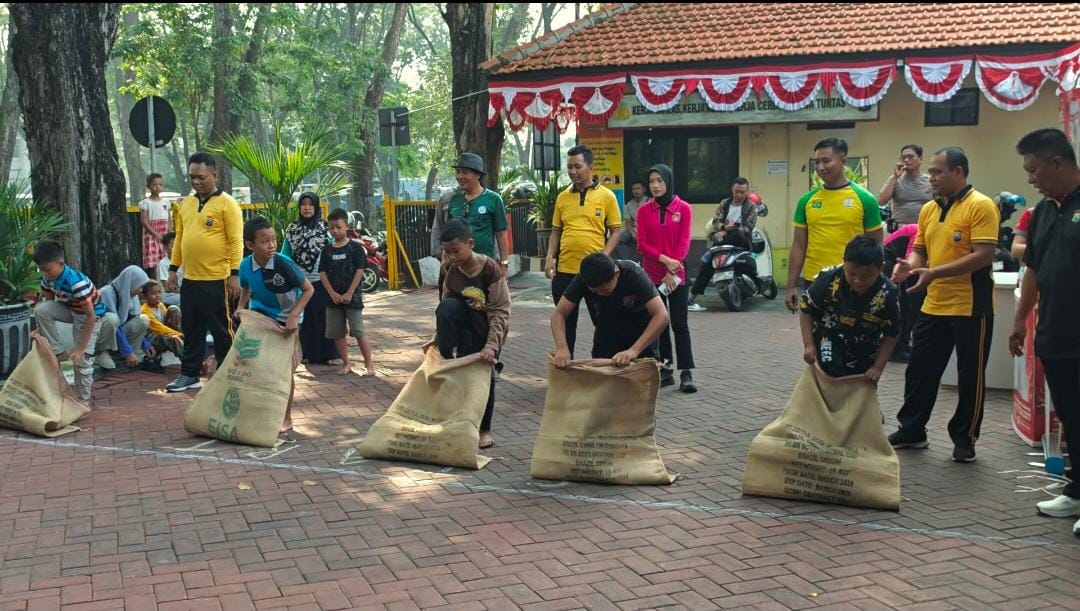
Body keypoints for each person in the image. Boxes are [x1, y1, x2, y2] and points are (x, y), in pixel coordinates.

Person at [889, 147, 999, 463]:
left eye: (937, 172)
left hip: (970, 307)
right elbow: (920, 251)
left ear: (959, 172)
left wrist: (933, 272)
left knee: (970, 377)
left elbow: (983, 255)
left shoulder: (981, 206)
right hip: (934, 304)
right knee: (920, 370)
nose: (931, 178)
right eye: (932, 172)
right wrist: (908, 266)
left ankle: (965, 439)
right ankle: (912, 431)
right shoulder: (929, 210)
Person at [1008, 128, 1080, 535]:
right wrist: (1020, 321)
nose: (1030, 178)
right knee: (1071, 415)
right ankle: (1075, 489)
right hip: (1054, 333)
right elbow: (1032, 269)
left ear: (1057, 161)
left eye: (1034, 169)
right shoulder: (1043, 211)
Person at [165, 152, 244, 393]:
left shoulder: (227, 204)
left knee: (222, 330)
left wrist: (234, 274)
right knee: (192, 328)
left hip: (217, 279)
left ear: (214, 175)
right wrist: (172, 270)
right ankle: (189, 374)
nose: (196, 182)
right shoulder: (186, 204)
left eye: (201, 177)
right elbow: (180, 238)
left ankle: (228, 373)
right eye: (192, 177)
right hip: (190, 279)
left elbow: (235, 241)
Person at [435, 219, 510, 450]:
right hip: (463, 327)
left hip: (486, 330)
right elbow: (446, 305)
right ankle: (446, 357)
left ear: (470, 244)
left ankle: (484, 428)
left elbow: (500, 312)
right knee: (445, 308)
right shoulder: (449, 269)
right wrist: (437, 340)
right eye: (446, 252)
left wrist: (491, 347)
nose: (451, 257)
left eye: (455, 251)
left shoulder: (491, 270)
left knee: (482, 377)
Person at [786, 138, 884, 312]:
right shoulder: (806, 201)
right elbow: (799, 246)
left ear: (843, 161)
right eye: (817, 162)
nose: (820, 167)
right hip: (815, 280)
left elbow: (876, 247)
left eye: (826, 161)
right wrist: (791, 286)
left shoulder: (866, 199)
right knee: (815, 332)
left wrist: (875, 282)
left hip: (853, 280)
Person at [545, 145, 623, 357]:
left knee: (603, 323)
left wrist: (603, 258)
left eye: (577, 166)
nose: (572, 172)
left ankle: (603, 366)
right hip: (565, 271)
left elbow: (616, 231)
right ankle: (567, 370)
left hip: (595, 275)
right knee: (566, 323)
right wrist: (549, 258)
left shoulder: (607, 196)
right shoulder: (562, 197)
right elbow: (555, 231)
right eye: (569, 167)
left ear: (590, 167)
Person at [239, 217, 315, 433]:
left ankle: (286, 417)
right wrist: (240, 307)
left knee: (284, 371)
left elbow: (309, 290)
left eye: (273, 239)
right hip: (262, 317)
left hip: (287, 319)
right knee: (257, 366)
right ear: (250, 245)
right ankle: (260, 412)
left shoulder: (283, 263)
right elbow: (245, 289)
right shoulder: (245, 266)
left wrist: (294, 314)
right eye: (265, 241)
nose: (272, 245)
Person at [799, 235, 900, 381]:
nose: (858, 281)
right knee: (830, 369)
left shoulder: (889, 294)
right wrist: (808, 345)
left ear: (881, 268)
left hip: (865, 346)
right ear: (844, 263)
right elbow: (806, 309)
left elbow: (891, 334)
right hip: (829, 335)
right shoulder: (828, 278)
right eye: (851, 274)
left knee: (861, 380)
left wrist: (878, 367)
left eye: (866, 276)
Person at [636, 164, 697, 393]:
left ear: (668, 181)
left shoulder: (684, 208)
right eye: (651, 181)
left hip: (677, 275)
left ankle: (687, 373)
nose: (655, 185)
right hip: (652, 276)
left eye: (660, 181)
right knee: (660, 323)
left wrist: (672, 271)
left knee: (680, 324)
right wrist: (664, 262)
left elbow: (684, 243)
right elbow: (642, 244)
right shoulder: (643, 210)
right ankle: (666, 369)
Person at [551, 253, 669, 368]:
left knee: (641, 377)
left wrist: (634, 350)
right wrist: (561, 348)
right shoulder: (584, 277)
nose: (600, 294)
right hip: (606, 327)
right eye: (595, 292)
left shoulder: (633, 273)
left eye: (604, 290)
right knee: (603, 377)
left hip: (640, 328)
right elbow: (559, 314)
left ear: (616, 274)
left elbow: (661, 315)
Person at [32, 241, 106, 404]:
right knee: (41, 310)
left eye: (48, 269)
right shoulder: (48, 278)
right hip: (71, 309)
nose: (46, 273)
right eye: (42, 270)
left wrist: (81, 347)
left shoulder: (76, 282)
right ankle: (59, 352)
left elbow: (91, 316)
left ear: (61, 263)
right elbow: (47, 303)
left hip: (90, 316)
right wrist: (40, 329)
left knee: (82, 360)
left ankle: (83, 401)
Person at [284, 192, 339, 366]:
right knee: (305, 318)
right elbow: (285, 254)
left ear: (316, 207)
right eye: (303, 204)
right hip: (300, 281)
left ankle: (329, 354)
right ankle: (307, 354)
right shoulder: (292, 228)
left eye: (310, 204)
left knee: (323, 316)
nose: (307, 208)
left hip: (321, 279)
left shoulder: (324, 227)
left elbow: (333, 249)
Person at [688, 177, 758, 311]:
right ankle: (691, 297)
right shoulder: (724, 203)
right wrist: (724, 228)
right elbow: (716, 222)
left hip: (740, 240)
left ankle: (712, 251)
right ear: (732, 189)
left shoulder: (751, 206)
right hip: (723, 240)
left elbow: (749, 227)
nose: (739, 195)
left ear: (747, 192)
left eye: (743, 192)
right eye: (737, 191)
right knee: (706, 267)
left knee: (736, 234)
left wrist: (725, 232)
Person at [320, 208, 375, 376]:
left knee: (358, 331)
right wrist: (332, 294)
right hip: (333, 300)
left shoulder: (355, 248)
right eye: (331, 227)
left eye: (338, 227)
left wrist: (350, 293)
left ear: (347, 226)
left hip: (353, 298)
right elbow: (322, 273)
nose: (335, 231)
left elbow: (360, 271)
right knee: (338, 333)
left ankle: (369, 365)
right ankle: (346, 363)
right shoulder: (327, 250)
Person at [435, 154, 509, 273]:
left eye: (465, 172)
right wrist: (445, 258)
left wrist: (504, 265)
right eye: (458, 172)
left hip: (484, 266)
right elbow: (449, 234)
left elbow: (501, 234)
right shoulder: (455, 200)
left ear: (478, 175)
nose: (459, 177)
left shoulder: (493, 199)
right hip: (457, 268)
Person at [96, 265, 152, 373]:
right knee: (112, 319)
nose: (140, 290)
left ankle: (121, 355)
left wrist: (146, 344)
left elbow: (131, 320)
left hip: (118, 337)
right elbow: (116, 326)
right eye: (138, 286)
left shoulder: (130, 295)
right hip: (102, 338)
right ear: (130, 283)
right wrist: (128, 351)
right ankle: (101, 352)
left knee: (143, 320)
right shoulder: (105, 293)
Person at [882, 222, 922, 363]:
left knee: (910, 305)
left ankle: (903, 344)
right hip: (891, 261)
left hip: (904, 264)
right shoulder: (919, 231)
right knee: (901, 305)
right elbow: (910, 257)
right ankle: (896, 348)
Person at [877, 144, 932, 230]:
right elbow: (881, 201)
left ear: (920, 159)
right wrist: (895, 176)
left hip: (924, 228)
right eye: (903, 158)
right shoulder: (895, 180)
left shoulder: (930, 180)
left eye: (910, 157)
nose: (906, 160)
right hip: (900, 230)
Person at [139, 280, 183, 373]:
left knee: (173, 309)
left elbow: (169, 321)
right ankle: (192, 364)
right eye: (153, 293)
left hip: (163, 334)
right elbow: (159, 328)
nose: (158, 295)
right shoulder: (144, 310)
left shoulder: (160, 305)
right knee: (173, 338)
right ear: (145, 296)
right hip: (152, 339)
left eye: (159, 292)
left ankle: (182, 341)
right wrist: (179, 334)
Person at [139, 173, 172, 273]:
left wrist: (169, 233)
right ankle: (155, 283)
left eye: (160, 184)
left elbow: (169, 219)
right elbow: (144, 221)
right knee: (153, 261)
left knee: (165, 256)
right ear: (148, 186)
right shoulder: (146, 203)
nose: (158, 187)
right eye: (154, 184)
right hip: (152, 235)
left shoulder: (166, 202)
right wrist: (156, 234)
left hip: (164, 234)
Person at [613, 180, 647, 262]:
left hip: (648, 229)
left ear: (644, 190)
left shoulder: (650, 201)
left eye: (638, 188)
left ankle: (646, 261)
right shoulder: (628, 205)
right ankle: (629, 262)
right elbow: (628, 221)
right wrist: (633, 234)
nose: (636, 191)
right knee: (618, 239)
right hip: (635, 229)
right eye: (634, 189)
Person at [156, 232, 181, 307]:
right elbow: (168, 288)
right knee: (185, 299)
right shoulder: (163, 264)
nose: (176, 249)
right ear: (165, 247)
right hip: (167, 295)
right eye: (173, 246)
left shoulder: (184, 261)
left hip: (179, 292)